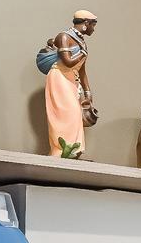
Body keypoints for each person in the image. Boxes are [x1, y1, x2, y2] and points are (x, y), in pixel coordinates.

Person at [42, 10, 99, 157]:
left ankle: (73, 150)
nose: (94, 28)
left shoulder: (82, 43)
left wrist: (88, 93)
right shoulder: (64, 37)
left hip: (72, 81)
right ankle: (60, 150)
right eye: (93, 24)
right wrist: (82, 53)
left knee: (75, 114)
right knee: (67, 113)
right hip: (59, 77)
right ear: (86, 23)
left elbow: (82, 71)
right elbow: (67, 62)